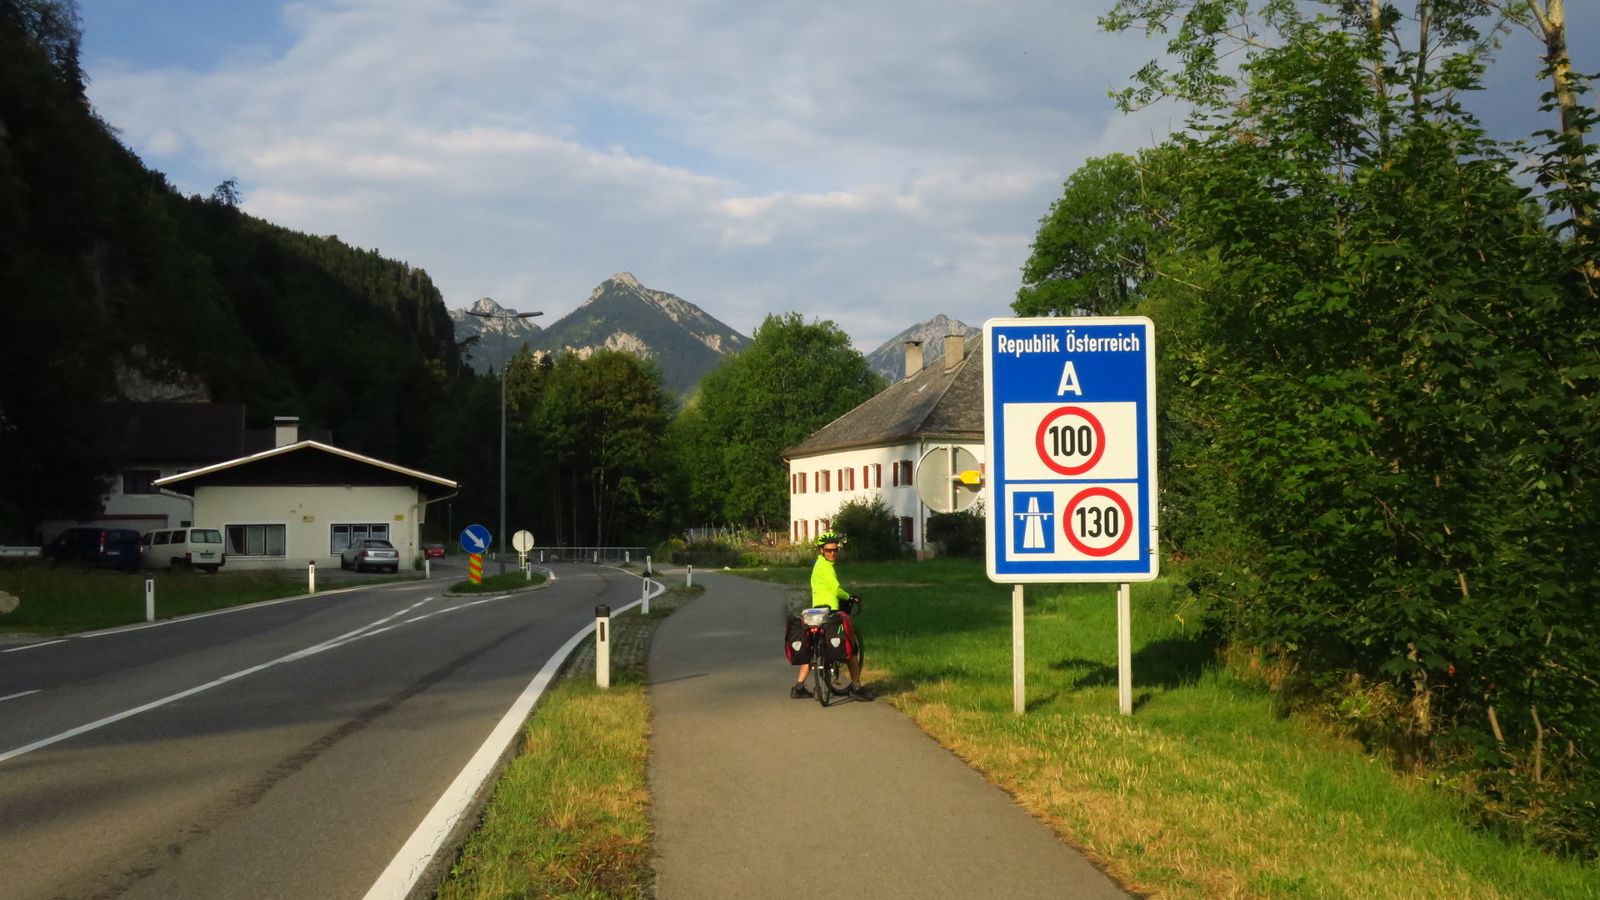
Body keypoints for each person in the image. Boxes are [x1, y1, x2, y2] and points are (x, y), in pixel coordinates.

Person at [792, 531, 873, 701]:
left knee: (813, 648)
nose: (832, 553)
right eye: (828, 550)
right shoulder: (826, 567)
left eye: (835, 550)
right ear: (821, 550)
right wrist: (850, 597)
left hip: (816, 610)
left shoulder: (818, 564)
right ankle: (856, 687)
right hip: (830, 611)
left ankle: (799, 687)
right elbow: (835, 589)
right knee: (849, 648)